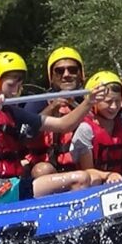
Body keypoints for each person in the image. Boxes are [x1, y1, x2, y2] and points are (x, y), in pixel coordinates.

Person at [0, 51, 105, 205]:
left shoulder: (12, 111)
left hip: (12, 185)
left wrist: (88, 102)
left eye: (19, 84)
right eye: (11, 84)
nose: (16, 90)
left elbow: (63, 125)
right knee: (79, 179)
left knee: (82, 178)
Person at [71, 71, 122, 185]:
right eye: (108, 102)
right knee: (94, 178)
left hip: (117, 181)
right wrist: (109, 175)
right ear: (94, 102)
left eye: (117, 101)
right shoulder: (85, 129)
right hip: (93, 183)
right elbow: (87, 170)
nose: (114, 107)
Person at [24, 47, 86, 177]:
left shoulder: (89, 100)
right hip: (48, 170)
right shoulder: (38, 102)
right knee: (42, 170)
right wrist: (53, 106)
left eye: (73, 70)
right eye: (59, 71)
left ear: (81, 74)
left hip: (85, 166)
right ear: (51, 77)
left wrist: (74, 105)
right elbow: (27, 134)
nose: (66, 75)